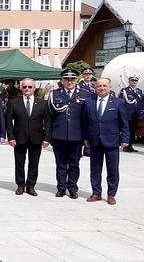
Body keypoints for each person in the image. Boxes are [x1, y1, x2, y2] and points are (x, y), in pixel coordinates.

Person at [82, 78, 130, 205]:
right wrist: (85, 138)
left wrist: (125, 139)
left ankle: (111, 194)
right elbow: (84, 122)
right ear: (95, 88)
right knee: (95, 169)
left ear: (110, 87)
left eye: (104, 86)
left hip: (112, 141)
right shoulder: (88, 102)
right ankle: (96, 193)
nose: (102, 88)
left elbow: (124, 123)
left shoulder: (118, 102)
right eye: (99, 86)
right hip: (95, 141)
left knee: (113, 170)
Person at [48, 68, 90, 199]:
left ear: (76, 80)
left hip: (77, 136)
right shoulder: (54, 94)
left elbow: (87, 118)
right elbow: (49, 117)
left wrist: (86, 137)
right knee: (60, 164)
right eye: (66, 79)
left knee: (74, 164)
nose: (69, 81)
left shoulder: (85, 94)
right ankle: (61, 188)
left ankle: (72, 188)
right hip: (59, 134)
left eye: (72, 79)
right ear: (62, 80)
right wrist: (48, 136)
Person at [5, 78, 51, 196]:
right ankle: (20, 185)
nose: (27, 89)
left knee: (34, 163)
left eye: (29, 87)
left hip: (36, 138)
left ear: (34, 88)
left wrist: (46, 138)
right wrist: (10, 137)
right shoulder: (13, 102)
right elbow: (8, 121)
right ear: (21, 88)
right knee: (19, 163)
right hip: (19, 137)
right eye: (24, 87)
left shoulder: (43, 103)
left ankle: (31, 185)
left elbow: (47, 122)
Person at [118, 75, 141, 153]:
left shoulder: (139, 91)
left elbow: (140, 103)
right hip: (127, 115)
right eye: (132, 80)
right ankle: (125, 146)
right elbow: (120, 102)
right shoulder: (124, 91)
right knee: (126, 131)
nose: (134, 82)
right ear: (129, 82)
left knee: (133, 131)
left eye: (135, 81)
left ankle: (130, 145)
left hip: (135, 115)